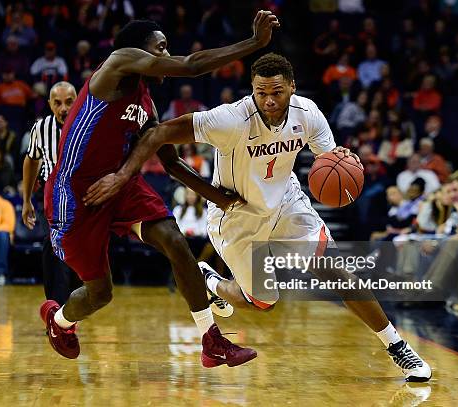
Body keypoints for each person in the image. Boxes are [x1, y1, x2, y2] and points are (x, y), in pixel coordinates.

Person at [89, 53, 432, 382]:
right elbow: (158, 134)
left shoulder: (308, 113)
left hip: (285, 202)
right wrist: (209, 194)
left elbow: (330, 161)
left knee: (335, 270)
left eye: (277, 92)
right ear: (252, 89)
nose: (268, 100)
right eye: (261, 92)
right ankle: (212, 281)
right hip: (237, 216)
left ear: (292, 87)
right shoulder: (230, 119)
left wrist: (343, 162)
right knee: (265, 302)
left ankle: (398, 347)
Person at [40, 12, 280, 367]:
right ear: (141, 50)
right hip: (76, 194)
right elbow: (193, 64)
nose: (167, 55)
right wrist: (254, 44)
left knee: (174, 239)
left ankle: (211, 340)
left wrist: (222, 200)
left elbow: (170, 162)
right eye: (161, 47)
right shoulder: (118, 64)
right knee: (100, 293)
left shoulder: (146, 103)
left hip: (120, 183)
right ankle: (59, 321)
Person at [22, 81, 81, 305]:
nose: (63, 108)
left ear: (78, 101)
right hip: (53, 192)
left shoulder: (89, 125)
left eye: (69, 102)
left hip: (82, 194)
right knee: (53, 246)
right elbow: (30, 161)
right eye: (57, 103)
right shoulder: (41, 128)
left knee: (77, 251)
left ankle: (73, 306)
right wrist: (26, 200)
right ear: (49, 104)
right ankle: (56, 308)